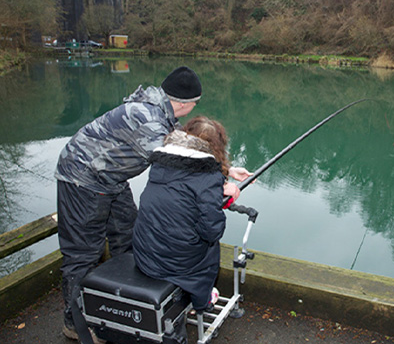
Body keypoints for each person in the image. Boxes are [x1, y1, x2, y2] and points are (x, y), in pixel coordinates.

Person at [54, 67, 250, 341]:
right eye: (195, 103)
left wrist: (227, 171)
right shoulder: (149, 120)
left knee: (127, 237)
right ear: (183, 103)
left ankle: (128, 308)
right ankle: (74, 324)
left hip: (112, 178)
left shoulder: (162, 112)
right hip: (82, 178)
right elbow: (177, 164)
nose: (195, 108)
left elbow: (188, 151)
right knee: (83, 253)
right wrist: (220, 186)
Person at [132, 116, 237, 314]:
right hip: (176, 265)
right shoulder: (208, 177)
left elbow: (182, 190)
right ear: (217, 146)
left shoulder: (160, 164)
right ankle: (202, 300)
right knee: (210, 247)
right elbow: (212, 231)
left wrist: (220, 185)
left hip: (144, 256)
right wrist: (221, 193)